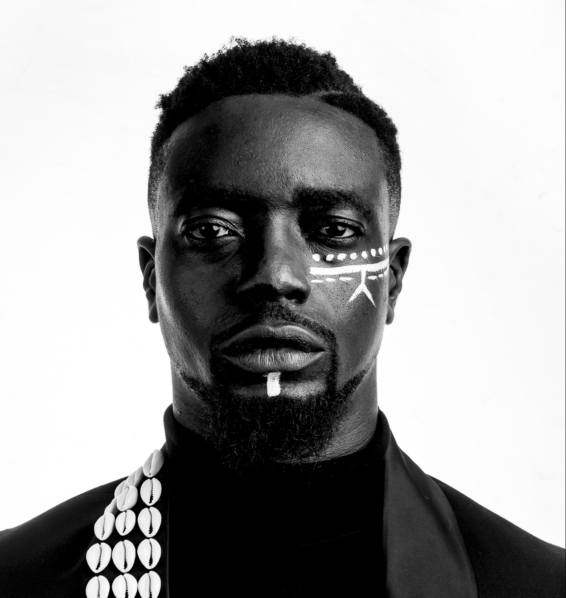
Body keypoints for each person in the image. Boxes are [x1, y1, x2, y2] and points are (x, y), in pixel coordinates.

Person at [0, 38, 563, 598]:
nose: (275, 274)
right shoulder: (18, 579)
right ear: (151, 278)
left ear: (392, 281)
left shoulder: (536, 584)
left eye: (332, 230)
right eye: (214, 230)